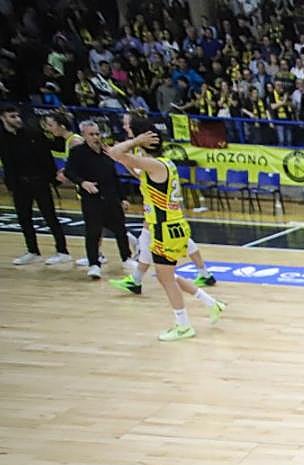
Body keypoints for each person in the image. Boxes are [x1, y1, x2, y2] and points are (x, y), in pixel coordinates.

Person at [103, 118, 225, 341]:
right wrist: (129, 156)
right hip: (169, 225)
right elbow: (133, 168)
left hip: (165, 228)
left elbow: (115, 153)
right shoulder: (162, 164)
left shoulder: (156, 164)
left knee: (165, 278)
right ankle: (211, 303)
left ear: (145, 140)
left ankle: (183, 325)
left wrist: (134, 141)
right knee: (166, 275)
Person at [63, 120, 135, 281]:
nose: (96, 137)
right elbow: (69, 172)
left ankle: (126, 258)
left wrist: (122, 198)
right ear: (84, 135)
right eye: (91, 134)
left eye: (97, 133)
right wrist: (83, 182)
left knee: (120, 230)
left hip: (111, 197)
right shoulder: (78, 152)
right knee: (93, 232)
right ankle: (94, 264)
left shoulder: (106, 152)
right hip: (92, 199)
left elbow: (114, 177)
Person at [0, 104, 71, 267]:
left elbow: (51, 152)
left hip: (39, 181)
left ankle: (62, 251)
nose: (17, 119)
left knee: (50, 217)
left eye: (17, 116)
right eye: (12, 117)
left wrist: (54, 178)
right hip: (19, 184)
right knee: (24, 219)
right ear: (3, 118)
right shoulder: (3, 138)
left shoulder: (33, 133)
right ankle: (33, 251)